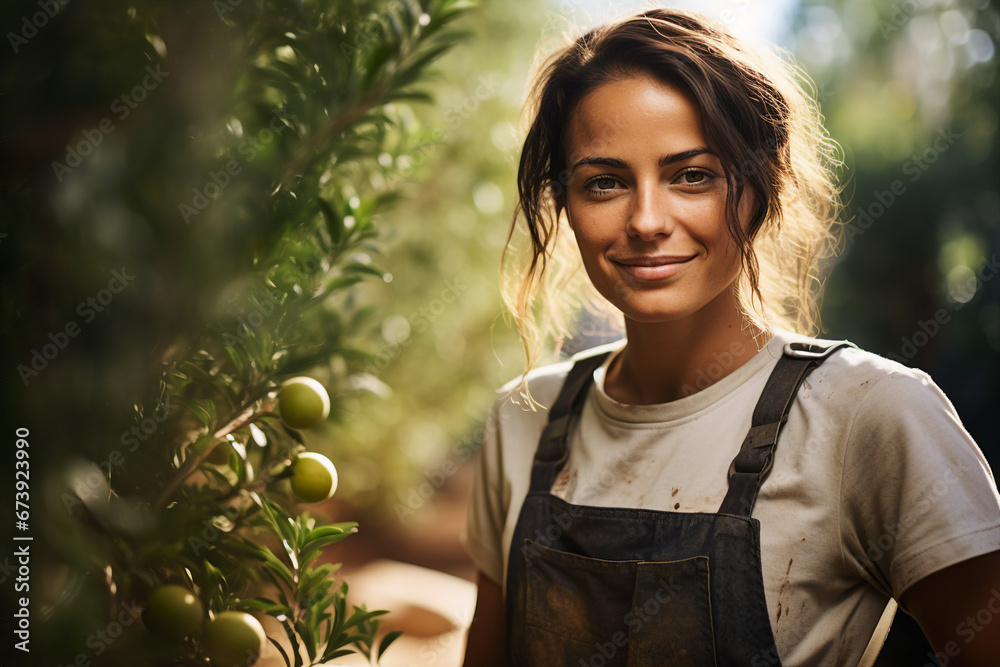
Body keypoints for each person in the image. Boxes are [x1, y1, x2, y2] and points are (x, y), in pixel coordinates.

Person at [459, 7, 1000, 667]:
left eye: (692, 175)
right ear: (565, 202)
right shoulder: (523, 419)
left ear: (760, 183)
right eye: (605, 182)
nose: (647, 220)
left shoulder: (870, 413)